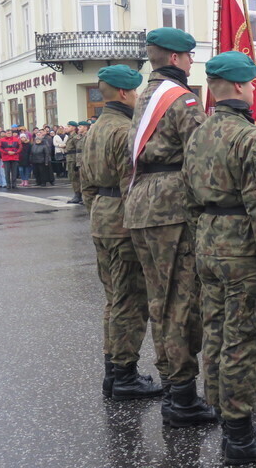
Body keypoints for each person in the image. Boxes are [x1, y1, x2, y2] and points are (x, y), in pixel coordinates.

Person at [184, 51, 256, 463]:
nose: (253, 90)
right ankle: (240, 438)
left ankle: (229, 420)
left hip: (209, 242)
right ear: (240, 86)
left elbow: (189, 198)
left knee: (215, 334)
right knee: (245, 342)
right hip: (243, 249)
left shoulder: (199, 134)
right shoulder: (252, 138)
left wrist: (203, 240)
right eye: (251, 84)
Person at [124, 27, 214, 427]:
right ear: (176, 58)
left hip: (142, 203)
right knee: (180, 302)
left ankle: (172, 387)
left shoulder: (146, 95)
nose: (193, 62)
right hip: (171, 207)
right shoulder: (181, 98)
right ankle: (183, 399)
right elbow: (204, 155)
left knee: (159, 301)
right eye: (190, 55)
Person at [80, 65, 162, 400]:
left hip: (102, 217)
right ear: (126, 93)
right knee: (130, 301)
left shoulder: (96, 128)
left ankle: (112, 374)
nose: (139, 96)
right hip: (124, 221)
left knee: (114, 299)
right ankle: (125, 375)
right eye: (137, 91)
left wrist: (99, 212)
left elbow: (85, 184)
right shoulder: (125, 130)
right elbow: (132, 186)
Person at [64, 121, 81, 202]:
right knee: (72, 177)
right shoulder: (70, 137)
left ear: (74, 128)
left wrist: (77, 162)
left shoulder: (76, 137)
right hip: (70, 159)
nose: (67, 128)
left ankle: (78, 195)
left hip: (74, 159)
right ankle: (77, 194)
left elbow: (79, 150)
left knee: (75, 178)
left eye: (69, 126)